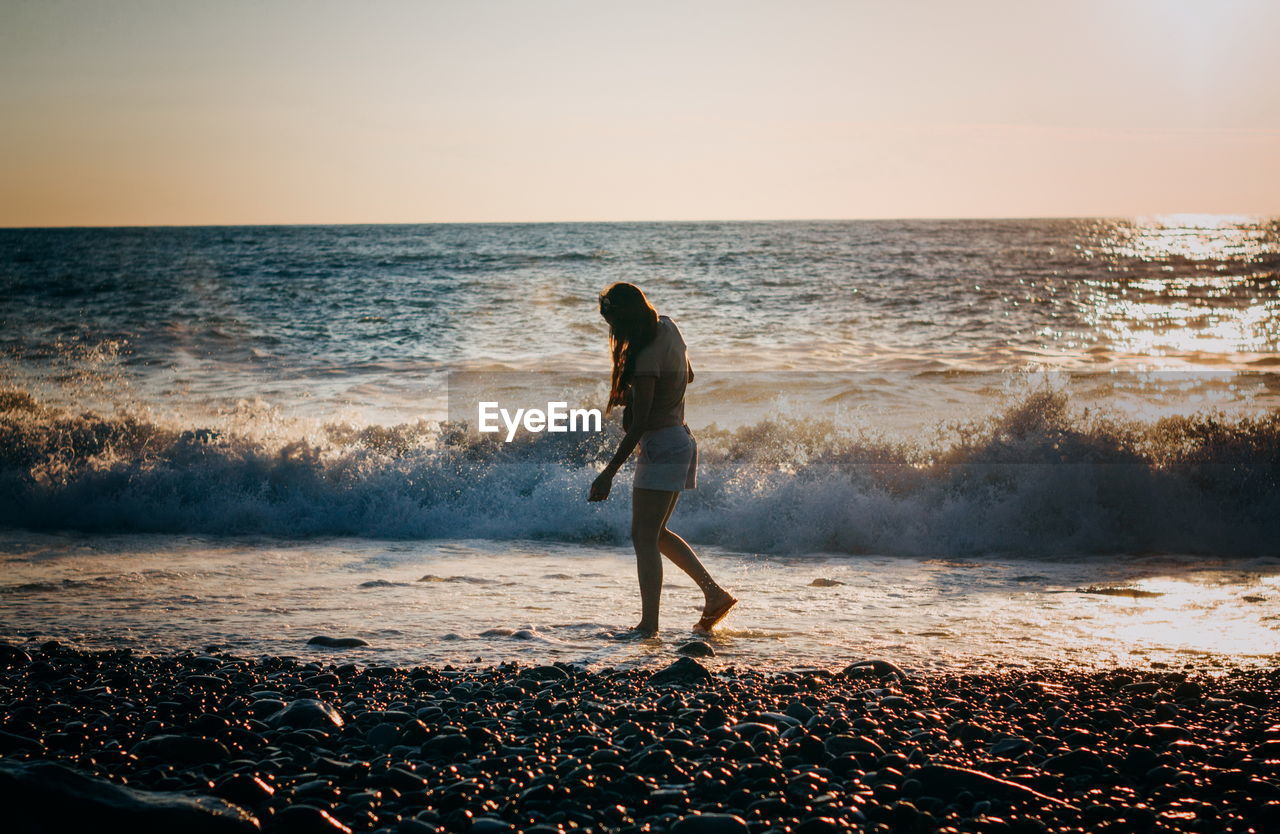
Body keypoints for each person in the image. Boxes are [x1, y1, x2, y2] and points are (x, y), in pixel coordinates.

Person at [587, 282, 737, 636]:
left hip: (663, 447)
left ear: (623, 318)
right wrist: (645, 396)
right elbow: (690, 375)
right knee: (655, 534)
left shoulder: (643, 357)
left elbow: (638, 427)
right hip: (680, 440)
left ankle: (648, 626)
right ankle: (714, 594)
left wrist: (607, 474)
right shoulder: (668, 327)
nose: (611, 330)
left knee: (643, 536)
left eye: (612, 321)